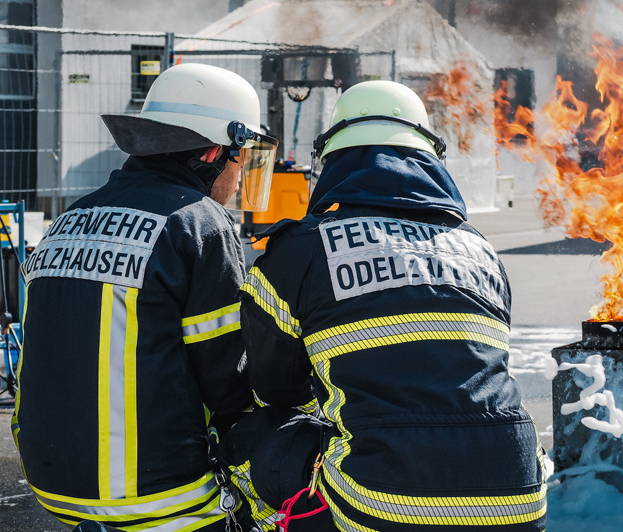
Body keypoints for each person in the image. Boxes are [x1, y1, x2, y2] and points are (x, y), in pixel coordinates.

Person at [220, 80, 547, 531]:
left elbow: (277, 390)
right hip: (518, 499)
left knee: (254, 434)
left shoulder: (303, 248)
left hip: (388, 505)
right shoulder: (479, 247)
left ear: (330, 160)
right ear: (432, 160)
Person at [13, 63, 279, 531]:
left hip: (51, 482)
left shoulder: (72, 217)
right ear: (216, 150)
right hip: (157, 493)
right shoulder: (198, 221)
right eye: (243, 158)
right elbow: (228, 379)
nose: (240, 179)